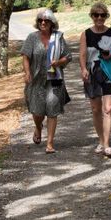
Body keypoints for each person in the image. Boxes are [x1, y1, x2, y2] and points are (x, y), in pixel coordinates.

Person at [21, 9, 72, 154]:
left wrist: (58, 62)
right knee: (37, 112)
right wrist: (27, 73)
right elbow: (25, 56)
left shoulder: (58, 37)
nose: (43, 23)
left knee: (52, 110)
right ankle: (38, 127)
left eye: (46, 21)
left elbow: (68, 56)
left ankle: (49, 144)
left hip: (54, 80)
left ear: (52, 23)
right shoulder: (32, 37)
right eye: (40, 21)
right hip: (36, 80)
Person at [79, 2, 111, 157]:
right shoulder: (86, 34)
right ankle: (101, 140)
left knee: (108, 109)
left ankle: (107, 145)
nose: (99, 18)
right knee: (96, 109)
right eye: (96, 15)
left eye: (102, 15)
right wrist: (83, 69)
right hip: (92, 72)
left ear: (106, 16)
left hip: (109, 72)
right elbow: (82, 54)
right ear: (92, 16)